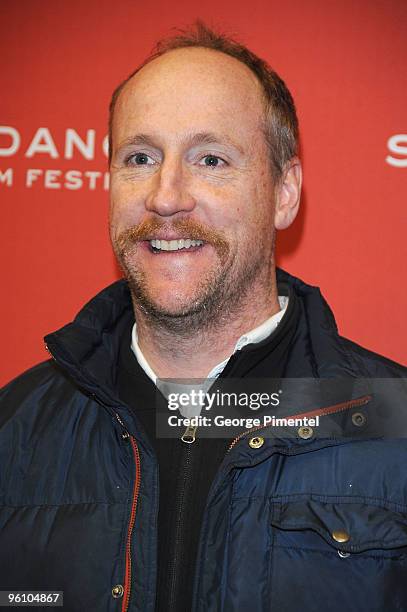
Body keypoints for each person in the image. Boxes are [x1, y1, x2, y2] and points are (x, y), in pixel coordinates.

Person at [1, 22, 406, 612]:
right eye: (139, 157)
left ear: (284, 192)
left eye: (211, 159)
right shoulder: (15, 428)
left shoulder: (395, 423)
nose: (166, 196)